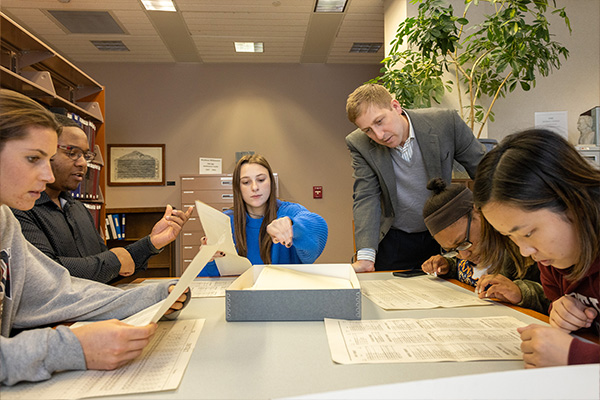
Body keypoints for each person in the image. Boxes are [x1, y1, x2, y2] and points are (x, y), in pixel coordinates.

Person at [0, 89, 189, 386]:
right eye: (32, 158)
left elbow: (60, 290)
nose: (47, 175)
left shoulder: (5, 222)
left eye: (47, 159)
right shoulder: (17, 212)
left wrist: (153, 296)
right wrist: (71, 348)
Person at [11, 114, 193, 283]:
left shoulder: (78, 209)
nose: (82, 163)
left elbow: (106, 271)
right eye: (72, 152)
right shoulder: (18, 210)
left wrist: (151, 243)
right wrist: (113, 261)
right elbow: (47, 273)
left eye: (85, 155)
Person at [473, 128, 599, 368]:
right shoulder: (553, 260)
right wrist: (561, 312)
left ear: (571, 201)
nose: (525, 251)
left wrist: (578, 357)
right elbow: (556, 304)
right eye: (510, 236)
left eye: (529, 233)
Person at [345, 83, 485, 273]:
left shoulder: (444, 122)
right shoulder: (358, 143)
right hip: (395, 239)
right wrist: (365, 258)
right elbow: (366, 197)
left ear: (395, 107)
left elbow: (484, 171)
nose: (378, 135)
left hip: (444, 234)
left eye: (379, 122)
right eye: (368, 130)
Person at [421, 178, 550, 314]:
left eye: (464, 243)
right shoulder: (466, 250)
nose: (464, 256)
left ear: (478, 212)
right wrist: (448, 266)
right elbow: (468, 271)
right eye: (452, 250)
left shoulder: (520, 248)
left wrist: (521, 293)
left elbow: (557, 298)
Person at [199, 154, 328, 276]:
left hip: (285, 295)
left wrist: (292, 226)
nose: (254, 187)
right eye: (246, 182)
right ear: (238, 188)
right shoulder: (225, 221)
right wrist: (209, 260)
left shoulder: (288, 211)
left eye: (261, 180)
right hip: (242, 296)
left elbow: (318, 229)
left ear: (271, 182)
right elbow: (208, 279)